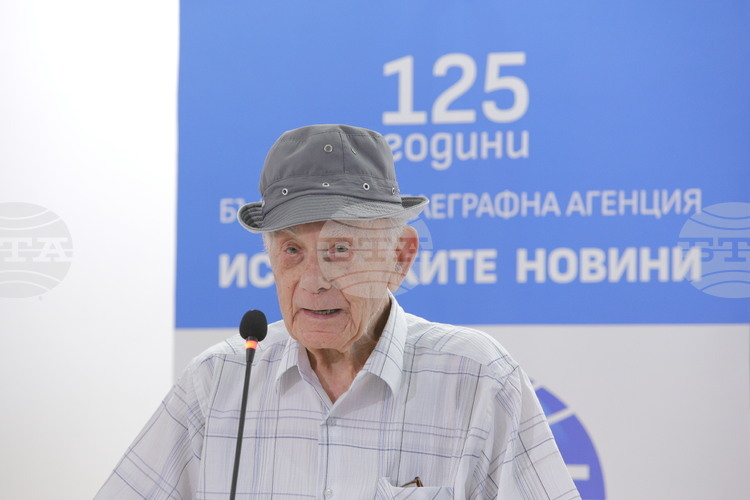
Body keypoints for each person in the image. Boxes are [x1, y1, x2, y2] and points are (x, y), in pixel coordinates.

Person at [96, 124, 580, 499]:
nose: (313, 280)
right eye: (292, 250)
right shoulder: (217, 382)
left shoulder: (476, 378)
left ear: (400, 257)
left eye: (340, 249)